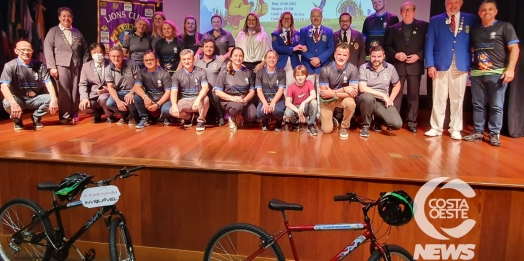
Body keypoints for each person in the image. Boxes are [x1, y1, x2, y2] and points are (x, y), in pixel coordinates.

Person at [463, 0, 520, 146]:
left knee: (496, 106)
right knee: (478, 105)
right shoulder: (475, 30)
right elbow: (472, 51)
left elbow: (514, 48)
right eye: (483, 10)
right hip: (477, 74)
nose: (486, 12)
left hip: (497, 74)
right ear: (479, 13)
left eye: (490, 9)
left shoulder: (505, 26)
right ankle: (478, 132)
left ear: (496, 11)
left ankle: (494, 134)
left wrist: (510, 69)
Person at [424, 0, 477, 140]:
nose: (453, 6)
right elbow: (429, 44)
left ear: (461, 3)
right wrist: (430, 65)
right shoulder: (436, 20)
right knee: (438, 97)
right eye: (450, 2)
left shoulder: (471, 19)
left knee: (458, 98)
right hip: (440, 64)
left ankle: (455, 128)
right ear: (445, 3)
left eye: (456, 2)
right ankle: (436, 127)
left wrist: (473, 63)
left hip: (461, 63)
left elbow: (476, 40)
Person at [384, 2, 428, 133]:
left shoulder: (424, 26)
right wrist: (396, 54)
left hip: (415, 65)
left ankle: (411, 122)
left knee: (413, 96)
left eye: (409, 10)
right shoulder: (393, 28)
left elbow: (428, 45)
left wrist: (419, 56)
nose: (407, 12)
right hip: (398, 66)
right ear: (400, 12)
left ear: (414, 11)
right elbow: (387, 47)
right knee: (396, 94)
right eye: (404, 10)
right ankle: (394, 120)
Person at [0, 40, 59, 130]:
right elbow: (4, 87)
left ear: (32, 51)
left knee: (52, 99)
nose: (26, 52)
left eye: (28, 50)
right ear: (16, 51)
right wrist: (13, 103)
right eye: (22, 50)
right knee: (7, 103)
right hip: (18, 99)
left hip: (34, 98)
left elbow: (48, 82)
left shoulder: (40, 65)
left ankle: (36, 117)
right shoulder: (10, 66)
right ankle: (17, 120)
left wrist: (54, 100)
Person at [44, 7, 87, 123]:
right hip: (61, 65)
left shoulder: (77, 32)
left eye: (69, 16)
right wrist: (52, 67)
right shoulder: (53, 31)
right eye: (64, 16)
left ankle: (74, 113)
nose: (66, 18)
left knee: (75, 90)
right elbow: (47, 49)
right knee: (64, 91)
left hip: (77, 65)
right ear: (59, 18)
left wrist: (85, 65)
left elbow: (86, 50)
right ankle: (64, 115)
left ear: (72, 18)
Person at [358, 46, 403, 138]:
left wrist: (390, 99)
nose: (376, 59)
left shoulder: (390, 68)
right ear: (369, 56)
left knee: (397, 124)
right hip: (366, 99)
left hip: (381, 101)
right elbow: (362, 88)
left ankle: (378, 121)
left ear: (384, 56)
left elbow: (397, 85)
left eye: (379, 56)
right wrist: (383, 95)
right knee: (368, 98)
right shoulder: (363, 67)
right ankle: (365, 126)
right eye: (373, 56)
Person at [318, 43, 359, 138]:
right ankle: (331, 119)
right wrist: (345, 89)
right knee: (327, 130)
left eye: (344, 55)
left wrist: (332, 92)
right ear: (334, 54)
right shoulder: (325, 70)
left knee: (351, 103)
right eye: (339, 54)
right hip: (327, 101)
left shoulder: (353, 69)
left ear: (348, 56)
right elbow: (324, 94)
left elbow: (353, 94)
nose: (341, 57)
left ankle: (344, 126)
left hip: (341, 98)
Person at [214, 47, 257, 130]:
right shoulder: (224, 72)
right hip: (229, 100)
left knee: (253, 115)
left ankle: (240, 116)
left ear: (243, 58)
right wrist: (233, 98)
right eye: (235, 55)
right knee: (237, 107)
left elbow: (252, 91)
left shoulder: (248, 72)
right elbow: (218, 92)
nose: (238, 58)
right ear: (231, 57)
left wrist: (245, 100)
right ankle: (232, 119)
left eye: (240, 56)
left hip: (244, 100)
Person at [169, 49, 210, 131]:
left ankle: (200, 121)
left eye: (189, 59)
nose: (187, 61)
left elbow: (206, 88)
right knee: (171, 111)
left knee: (205, 99)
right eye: (184, 59)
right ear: (181, 60)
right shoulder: (177, 74)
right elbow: (174, 92)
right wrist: (174, 105)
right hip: (184, 100)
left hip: (197, 99)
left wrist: (198, 100)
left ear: (193, 59)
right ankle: (188, 117)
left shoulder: (201, 72)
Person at [132, 50, 172, 129]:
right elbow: (136, 87)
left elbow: (168, 93)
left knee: (166, 110)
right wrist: (145, 97)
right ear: (143, 62)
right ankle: (144, 118)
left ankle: (167, 117)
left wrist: (158, 104)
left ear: (156, 60)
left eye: (151, 59)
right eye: (146, 60)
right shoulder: (141, 72)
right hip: (149, 99)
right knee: (137, 97)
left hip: (163, 100)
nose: (149, 62)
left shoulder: (164, 74)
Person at [195, 39, 227, 126]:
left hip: (214, 91)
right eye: (206, 47)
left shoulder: (219, 61)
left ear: (214, 49)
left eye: (211, 47)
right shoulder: (197, 62)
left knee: (216, 94)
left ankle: (221, 115)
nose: (209, 49)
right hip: (201, 91)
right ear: (202, 48)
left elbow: (223, 77)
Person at [78, 43, 113, 123]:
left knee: (103, 98)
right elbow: (82, 84)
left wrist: (108, 89)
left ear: (104, 53)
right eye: (94, 52)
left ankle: (110, 116)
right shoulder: (86, 66)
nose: (97, 54)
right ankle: (97, 114)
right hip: (93, 95)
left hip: (108, 94)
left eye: (99, 52)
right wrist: (84, 98)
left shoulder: (111, 64)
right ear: (91, 54)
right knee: (84, 106)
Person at [105, 46, 139, 126]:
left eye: (118, 56)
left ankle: (133, 116)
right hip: (119, 92)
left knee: (130, 99)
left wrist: (131, 93)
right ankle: (125, 114)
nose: (116, 59)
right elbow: (110, 87)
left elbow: (138, 81)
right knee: (110, 103)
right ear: (110, 57)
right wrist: (118, 102)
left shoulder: (131, 63)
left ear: (123, 56)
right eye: (113, 56)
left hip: (133, 90)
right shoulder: (108, 69)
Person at [299, 8, 335, 81]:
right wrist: (313, 59)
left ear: (322, 17)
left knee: (321, 92)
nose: (316, 18)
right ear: (310, 17)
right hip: (308, 67)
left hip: (323, 67)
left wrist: (319, 59)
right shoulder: (303, 31)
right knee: (308, 92)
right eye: (313, 16)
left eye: (318, 16)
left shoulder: (329, 31)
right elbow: (300, 48)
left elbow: (331, 48)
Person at [271, 11, 305, 87]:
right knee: (281, 87)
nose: (286, 20)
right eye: (285, 18)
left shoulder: (297, 34)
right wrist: (292, 49)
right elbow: (276, 48)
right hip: (281, 64)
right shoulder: (275, 34)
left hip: (294, 65)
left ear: (291, 21)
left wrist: (303, 48)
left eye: (288, 19)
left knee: (292, 87)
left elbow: (299, 49)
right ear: (281, 20)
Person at [256, 50, 286, 131]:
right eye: (269, 57)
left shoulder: (281, 72)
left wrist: (273, 103)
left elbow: (281, 90)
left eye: (274, 58)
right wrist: (265, 103)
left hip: (277, 100)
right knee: (260, 113)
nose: (272, 60)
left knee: (278, 111)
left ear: (277, 59)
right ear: (265, 59)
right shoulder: (260, 72)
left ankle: (279, 122)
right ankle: (265, 121)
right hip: (264, 99)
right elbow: (259, 90)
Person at [285, 65, 318, 136]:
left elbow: (313, 95)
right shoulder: (291, 87)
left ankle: (311, 125)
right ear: (294, 76)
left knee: (314, 102)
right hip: (296, 108)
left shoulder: (308, 83)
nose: (300, 77)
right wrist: (298, 112)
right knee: (287, 113)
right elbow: (287, 102)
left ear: (306, 76)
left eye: (302, 75)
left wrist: (303, 102)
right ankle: (295, 123)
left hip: (305, 107)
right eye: (297, 75)